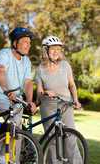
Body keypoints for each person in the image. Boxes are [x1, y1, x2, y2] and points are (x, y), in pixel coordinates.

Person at [0, 27, 37, 164]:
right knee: (14, 120)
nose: (28, 45)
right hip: (0, 96)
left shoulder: (27, 61)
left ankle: (12, 160)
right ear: (15, 43)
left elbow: (28, 82)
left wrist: (30, 101)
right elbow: (0, 71)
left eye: (29, 42)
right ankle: (3, 159)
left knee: (18, 131)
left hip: (16, 99)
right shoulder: (4, 54)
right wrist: (6, 90)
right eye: (25, 42)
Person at [35, 35, 82, 164]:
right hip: (48, 106)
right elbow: (39, 91)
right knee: (52, 139)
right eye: (53, 49)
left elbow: (72, 84)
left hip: (66, 104)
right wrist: (45, 92)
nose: (56, 52)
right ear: (46, 51)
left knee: (70, 137)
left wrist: (76, 100)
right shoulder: (40, 70)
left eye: (58, 49)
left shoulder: (65, 65)